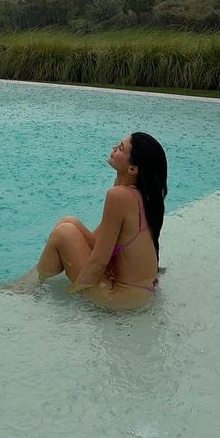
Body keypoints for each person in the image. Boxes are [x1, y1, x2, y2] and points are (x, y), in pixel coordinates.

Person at [32, 131, 168, 311]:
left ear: (132, 169)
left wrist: (71, 292)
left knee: (63, 233)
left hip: (119, 300)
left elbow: (99, 261)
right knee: (69, 221)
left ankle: (35, 286)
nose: (113, 148)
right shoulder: (137, 193)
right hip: (142, 291)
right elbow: (101, 240)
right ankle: (37, 282)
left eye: (120, 148)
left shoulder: (119, 195)